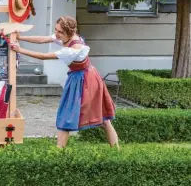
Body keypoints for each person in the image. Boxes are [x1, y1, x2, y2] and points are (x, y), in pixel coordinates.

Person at [9, 16, 119, 149]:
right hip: (83, 76)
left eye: (59, 31)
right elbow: (44, 39)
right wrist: (22, 38)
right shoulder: (65, 37)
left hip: (85, 80)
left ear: (68, 32)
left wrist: (20, 50)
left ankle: (59, 154)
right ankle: (60, 153)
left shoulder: (72, 49)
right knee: (98, 120)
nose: (56, 33)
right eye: (56, 30)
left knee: (83, 117)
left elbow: (43, 56)